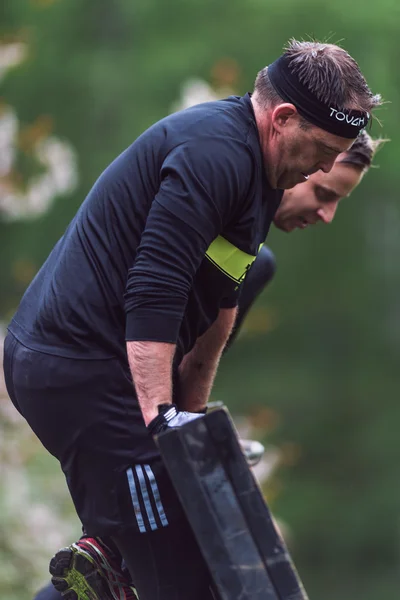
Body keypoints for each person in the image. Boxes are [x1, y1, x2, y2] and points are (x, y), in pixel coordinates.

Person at [3, 40, 381, 600]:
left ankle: (105, 562)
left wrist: (192, 426)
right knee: (182, 578)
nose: (326, 166)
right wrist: (162, 423)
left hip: (97, 374)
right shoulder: (217, 153)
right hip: (79, 370)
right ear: (283, 118)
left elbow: (218, 311)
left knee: (131, 574)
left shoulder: (257, 174)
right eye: (324, 152)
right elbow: (155, 286)